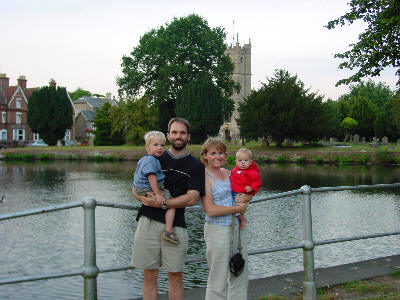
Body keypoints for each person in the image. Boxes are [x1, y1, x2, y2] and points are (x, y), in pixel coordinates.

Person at [131, 118, 205, 300]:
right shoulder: (154, 158)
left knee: (175, 276)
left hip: (176, 226)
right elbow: (135, 187)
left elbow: (192, 198)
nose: (178, 136)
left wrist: (163, 203)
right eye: (174, 132)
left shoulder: (196, 166)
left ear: (188, 136)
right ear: (168, 134)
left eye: (182, 133)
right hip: (148, 221)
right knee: (149, 275)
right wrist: (142, 197)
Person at [200, 138, 251, 300]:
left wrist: (246, 199)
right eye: (213, 153)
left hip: (236, 229)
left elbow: (243, 194)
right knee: (218, 278)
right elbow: (210, 209)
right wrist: (237, 208)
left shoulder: (230, 173)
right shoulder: (204, 177)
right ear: (205, 156)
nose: (218, 156)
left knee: (240, 273)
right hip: (217, 231)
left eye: (221, 153)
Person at [133, 131, 179, 244]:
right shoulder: (150, 160)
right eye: (155, 145)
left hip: (141, 187)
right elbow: (151, 177)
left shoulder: (146, 159)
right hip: (147, 187)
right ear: (147, 147)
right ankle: (167, 231)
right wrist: (158, 194)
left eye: (162, 145)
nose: (160, 148)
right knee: (172, 204)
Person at [230, 148, 261, 229]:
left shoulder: (252, 172)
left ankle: (242, 220)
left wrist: (251, 188)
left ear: (250, 162)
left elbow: (257, 182)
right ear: (236, 162)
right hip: (233, 192)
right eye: (240, 160)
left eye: (246, 160)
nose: (243, 162)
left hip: (243, 193)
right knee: (232, 206)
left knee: (239, 208)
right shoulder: (234, 170)